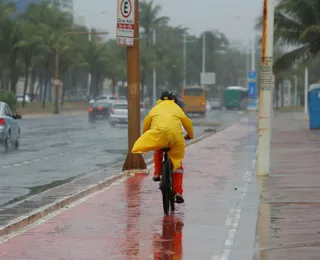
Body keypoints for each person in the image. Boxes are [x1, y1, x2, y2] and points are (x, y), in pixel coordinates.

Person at [131, 91, 194, 203]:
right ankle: (178, 192)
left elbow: (146, 122)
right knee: (178, 165)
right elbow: (187, 122)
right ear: (172, 100)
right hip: (175, 138)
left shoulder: (155, 108)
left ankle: (157, 173)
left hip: (159, 135)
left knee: (158, 149)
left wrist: (146, 135)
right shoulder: (176, 108)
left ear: (160, 100)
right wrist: (190, 135)